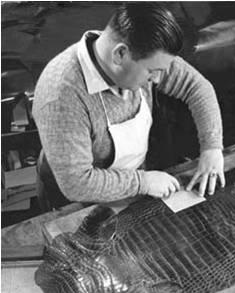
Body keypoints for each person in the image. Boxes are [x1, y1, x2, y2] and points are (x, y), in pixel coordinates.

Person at [33, 3, 225, 212]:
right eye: (152, 71)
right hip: (76, 201)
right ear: (120, 55)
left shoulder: (142, 52)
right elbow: (77, 183)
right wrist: (143, 182)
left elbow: (198, 88)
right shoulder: (62, 95)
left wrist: (212, 148)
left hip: (132, 180)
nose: (159, 79)